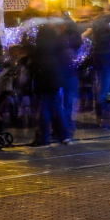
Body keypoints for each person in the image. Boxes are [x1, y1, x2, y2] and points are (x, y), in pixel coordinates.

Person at [31, 22, 68, 145]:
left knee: (45, 108)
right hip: (55, 79)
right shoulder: (57, 47)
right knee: (58, 106)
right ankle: (64, 136)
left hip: (43, 80)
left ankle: (45, 138)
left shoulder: (38, 51)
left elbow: (33, 66)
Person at [91, 4, 110, 127]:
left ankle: (103, 116)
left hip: (103, 57)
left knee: (105, 88)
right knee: (109, 89)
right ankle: (107, 116)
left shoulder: (99, 21)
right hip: (109, 57)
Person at [56, 11, 82, 143]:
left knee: (59, 102)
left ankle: (62, 130)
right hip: (71, 71)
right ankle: (69, 129)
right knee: (68, 103)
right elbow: (79, 44)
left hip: (60, 72)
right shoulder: (74, 35)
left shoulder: (57, 36)